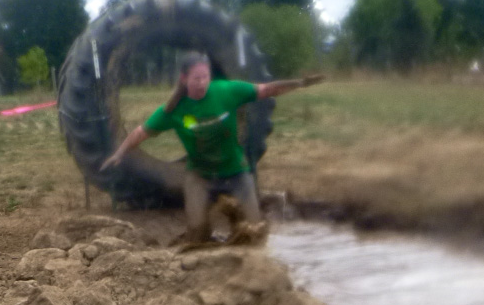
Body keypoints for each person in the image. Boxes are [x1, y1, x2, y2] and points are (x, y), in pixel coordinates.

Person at [100, 52, 324, 242]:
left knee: (254, 229)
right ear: (184, 79)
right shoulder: (174, 110)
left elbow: (266, 90)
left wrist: (299, 83)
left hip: (236, 171)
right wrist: (119, 153)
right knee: (197, 232)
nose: (202, 83)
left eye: (205, 77)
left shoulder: (226, 91)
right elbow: (141, 133)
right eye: (196, 78)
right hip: (200, 175)